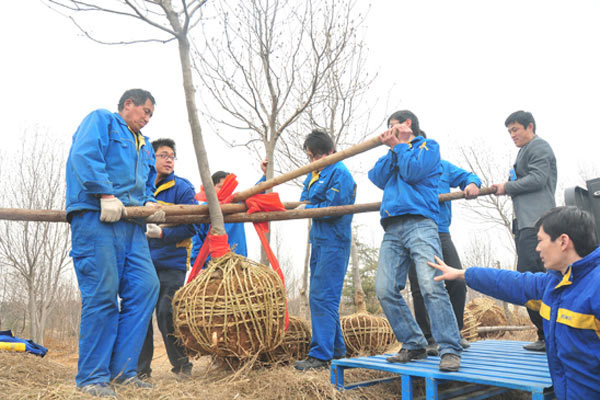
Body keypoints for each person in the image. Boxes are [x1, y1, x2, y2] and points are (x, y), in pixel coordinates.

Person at [428, 206, 600, 400]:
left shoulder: (595, 287)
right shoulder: (554, 284)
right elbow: (509, 282)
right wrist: (462, 274)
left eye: (541, 240)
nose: (537, 248)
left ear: (563, 241)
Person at [66, 89, 163, 397]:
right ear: (128, 104)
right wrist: (104, 193)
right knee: (103, 294)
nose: (147, 118)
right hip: (98, 218)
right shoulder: (103, 121)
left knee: (147, 287)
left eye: (151, 115)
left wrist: (148, 203)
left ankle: (123, 372)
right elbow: (85, 156)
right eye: (145, 111)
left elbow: (147, 181)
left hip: (131, 225)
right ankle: (93, 377)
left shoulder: (145, 144)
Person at [368, 110, 462, 372]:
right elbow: (376, 177)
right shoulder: (394, 153)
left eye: (392, 126)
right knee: (385, 288)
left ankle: (450, 348)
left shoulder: (429, 148)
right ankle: (413, 343)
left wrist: (399, 147)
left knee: (432, 286)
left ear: (407, 124)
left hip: (421, 223)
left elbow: (411, 172)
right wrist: (393, 150)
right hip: (392, 226)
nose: (389, 131)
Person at [286, 130, 356, 371]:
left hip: (335, 242)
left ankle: (321, 355)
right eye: (310, 157)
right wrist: (306, 205)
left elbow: (332, 208)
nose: (313, 161)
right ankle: (336, 350)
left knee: (323, 297)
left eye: (316, 156)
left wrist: (309, 206)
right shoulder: (315, 174)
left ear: (329, 152)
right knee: (321, 297)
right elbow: (305, 197)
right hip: (318, 240)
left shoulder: (340, 173)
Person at [492, 110, 557, 352]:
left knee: (532, 277)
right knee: (528, 278)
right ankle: (544, 334)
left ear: (530, 126)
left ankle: (550, 334)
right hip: (525, 225)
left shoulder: (539, 147)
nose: (512, 135)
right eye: (509, 131)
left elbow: (538, 179)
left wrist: (506, 186)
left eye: (515, 129)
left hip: (537, 222)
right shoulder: (523, 152)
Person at [137, 138, 197, 380]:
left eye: (172, 155)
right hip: (143, 260)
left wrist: (163, 232)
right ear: (151, 158)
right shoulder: (141, 186)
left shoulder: (182, 188)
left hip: (173, 261)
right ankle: (141, 371)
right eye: (163, 154)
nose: (169, 159)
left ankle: (182, 366)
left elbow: (192, 225)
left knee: (165, 311)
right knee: (140, 312)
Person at [408, 160, 481, 355]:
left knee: (457, 281)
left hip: (440, 231)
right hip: (414, 231)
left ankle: (454, 333)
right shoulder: (404, 167)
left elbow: (468, 176)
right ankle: (428, 338)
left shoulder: (441, 166)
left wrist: (472, 184)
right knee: (419, 287)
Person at [190, 171, 248, 265]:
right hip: (212, 265)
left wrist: (265, 176)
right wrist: (198, 265)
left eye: (228, 187)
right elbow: (197, 239)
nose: (224, 190)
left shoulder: (238, 206)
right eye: (220, 187)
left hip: (238, 263)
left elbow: (256, 195)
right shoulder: (204, 209)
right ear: (211, 188)